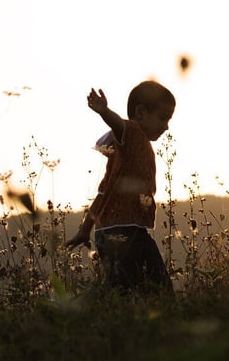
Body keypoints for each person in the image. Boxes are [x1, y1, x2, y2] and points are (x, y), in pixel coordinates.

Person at [65, 81, 175, 293]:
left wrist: (85, 229)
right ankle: (107, 315)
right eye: (163, 118)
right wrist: (104, 112)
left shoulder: (130, 150)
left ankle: (141, 316)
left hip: (130, 230)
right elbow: (120, 125)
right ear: (141, 113)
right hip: (120, 234)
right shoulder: (133, 132)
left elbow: (103, 194)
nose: (167, 125)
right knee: (129, 289)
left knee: (157, 286)